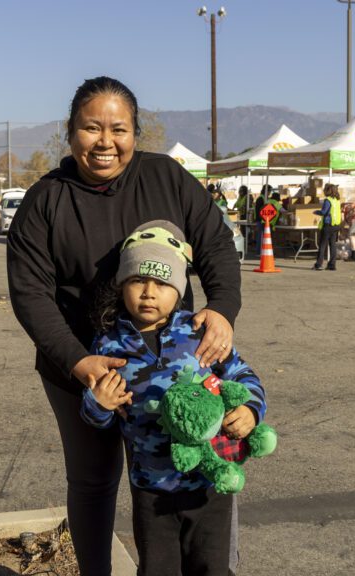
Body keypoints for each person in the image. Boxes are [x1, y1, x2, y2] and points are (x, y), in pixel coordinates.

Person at [6, 76, 241, 576]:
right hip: (82, 367)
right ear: (70, 133)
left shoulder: (167, 178)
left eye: (119, 128)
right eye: (92, 128)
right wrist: (78, 361)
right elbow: (30, 295)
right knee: (94, 479)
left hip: (177, 364)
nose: (105, 141)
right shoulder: (44, 201)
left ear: (136, 132)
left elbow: (216, 244)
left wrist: (221, 307)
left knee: (196, 464)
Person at [83, 221, 266, 576]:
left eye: (163, 283)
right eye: (138, 281)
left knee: (211, 567)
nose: (149, 293)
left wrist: (250, 410)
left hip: (209, 484)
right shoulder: (108, 344)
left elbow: (244, 375)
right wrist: (97, 404)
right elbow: (98, 419)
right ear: (122, 285)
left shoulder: (199, 331)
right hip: (152, 488)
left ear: (179, 289)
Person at [314, 185, 342, 271]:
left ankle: (318, 264)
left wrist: (316, 212)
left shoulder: (328, 200)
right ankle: (332, 265)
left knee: (322, 245)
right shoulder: (337, 200)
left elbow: (323, 212)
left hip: (328, 225)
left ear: (327, 191)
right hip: (336, 225)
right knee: (332, 245)